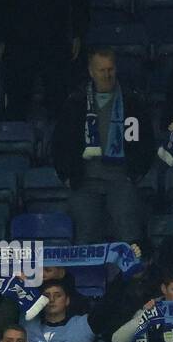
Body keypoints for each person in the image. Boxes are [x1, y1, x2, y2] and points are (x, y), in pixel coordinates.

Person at [52, 47, 153, 244]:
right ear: (91, 71)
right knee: (86, 237)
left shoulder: (132, 101)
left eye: (110, 69)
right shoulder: (76, 102)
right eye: (102, 70)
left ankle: (131, 275)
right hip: (84, 179)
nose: (107, 75)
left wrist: (136, 172)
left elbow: (147, 140)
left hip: (121, 177)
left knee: (129, 236)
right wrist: (67, 176)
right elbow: (59, 143)